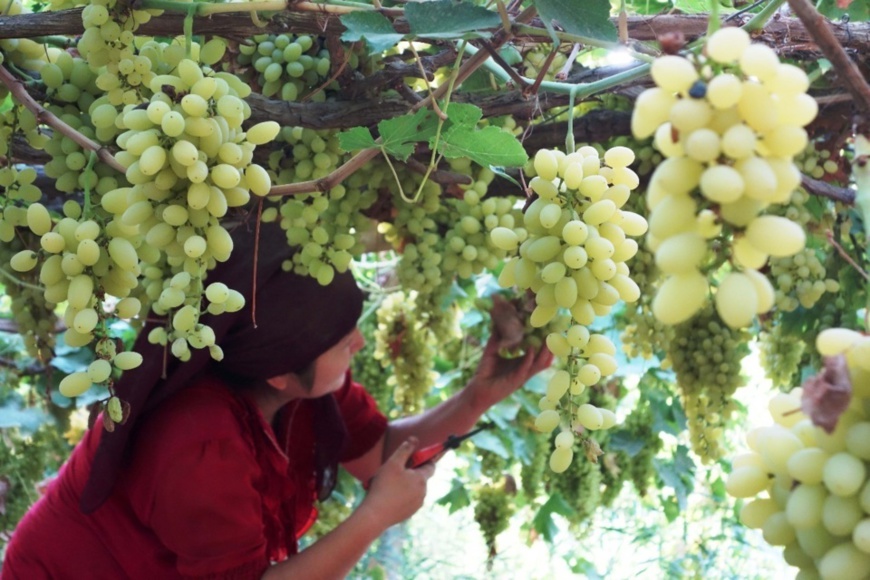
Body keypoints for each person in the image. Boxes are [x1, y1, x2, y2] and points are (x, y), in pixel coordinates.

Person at [1, 217, 552, 579]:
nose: (360, 343)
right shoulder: (200, 441)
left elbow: (380, 450)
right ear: (282, 372)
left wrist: (478, 396)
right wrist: (373, 518)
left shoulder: (292, 384)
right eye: (343, 340)